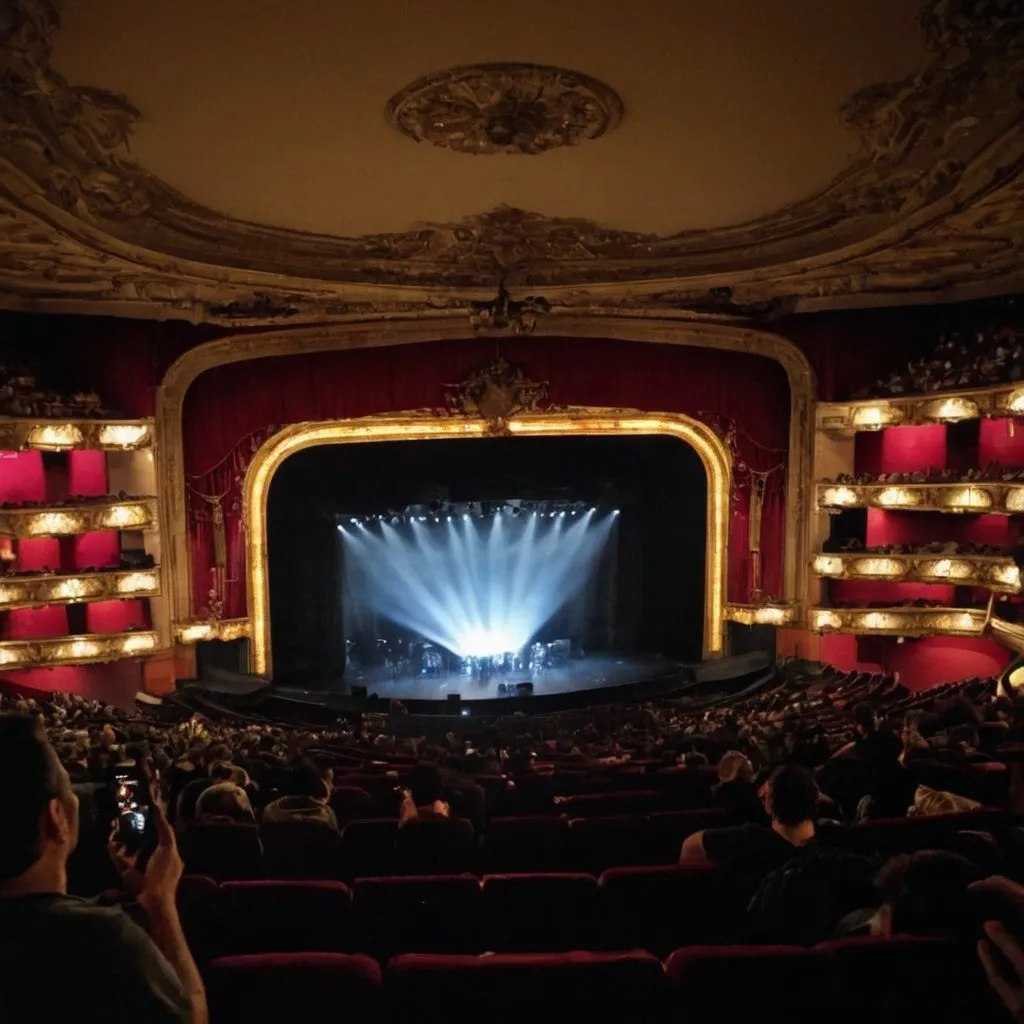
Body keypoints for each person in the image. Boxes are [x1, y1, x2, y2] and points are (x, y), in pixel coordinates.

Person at [0, 714, 206, 1023]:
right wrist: (160, 901)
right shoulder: (100, 939)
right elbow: (192, 1017)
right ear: (56, 817)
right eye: (69, 786)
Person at [680, 764, 818, 878]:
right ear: (816, 800)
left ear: (769, 803)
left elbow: (691, 846)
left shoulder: (751, 840)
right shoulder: (831, 846)